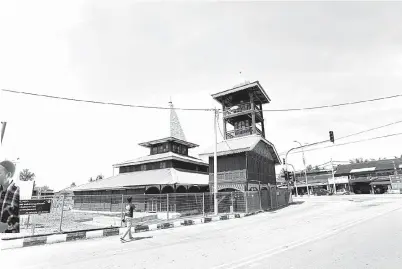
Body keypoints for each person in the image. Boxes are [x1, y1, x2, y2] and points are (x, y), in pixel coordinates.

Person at [0, 160, 20, 233]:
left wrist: (5, 227)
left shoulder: (18, 193)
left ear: (8, 175)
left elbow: (22, 224)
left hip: (8, 240)